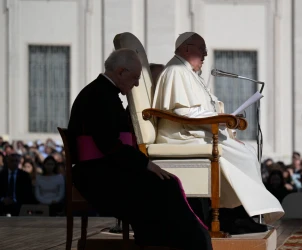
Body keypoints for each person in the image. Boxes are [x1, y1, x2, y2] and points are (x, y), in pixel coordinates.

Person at [67, 48, 212, 249]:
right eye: (134, 77)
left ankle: (170, 242)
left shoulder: (103, 92)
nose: (136, 83)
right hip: (96, 175)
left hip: (105, 168)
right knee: (163, 188)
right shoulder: (99, 96)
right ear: (120, 72)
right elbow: (109, 144)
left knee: (165, 185)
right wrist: (145, 164)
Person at [152, 32, 285, 234]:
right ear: (187, 48)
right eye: (201, 49)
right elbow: (182, 112)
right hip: (181, 136)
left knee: (246, 151)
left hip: (193, 132)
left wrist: (222, 119)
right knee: (244, 156)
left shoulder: (188, 72)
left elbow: (197, 110)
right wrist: (220, 120)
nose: (205, 54)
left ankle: (238, 215)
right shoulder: (176, 70)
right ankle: (234, 216)